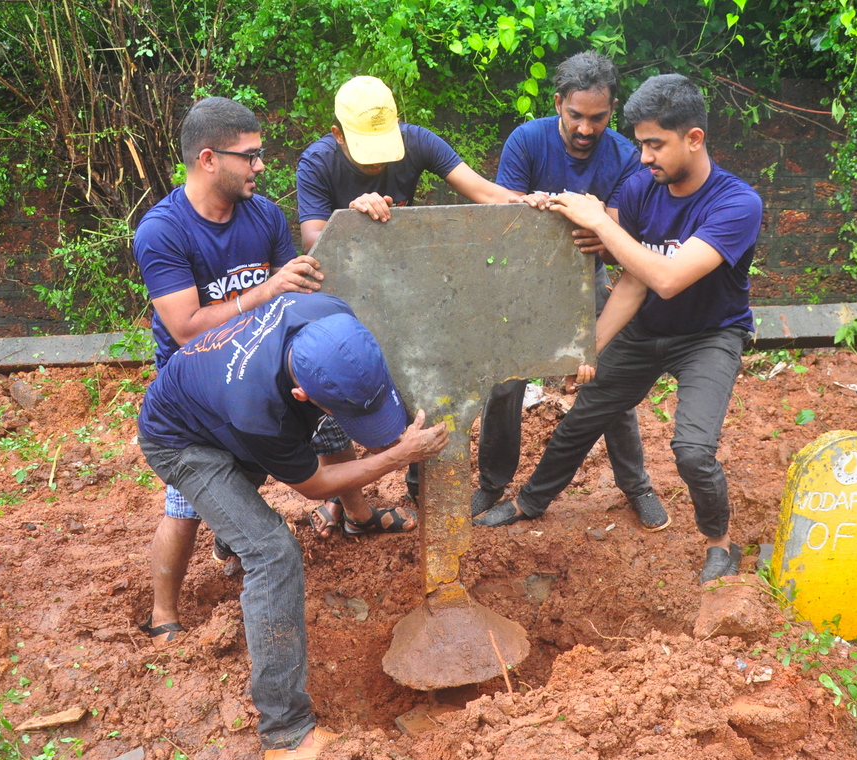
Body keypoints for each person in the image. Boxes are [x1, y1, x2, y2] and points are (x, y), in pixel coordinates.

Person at [137, 292, 449, 760]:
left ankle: (231, 529)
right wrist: (396, 457)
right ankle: (286, 737)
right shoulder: (258, 409)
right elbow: (313, 487)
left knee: (246, 506)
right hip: (182, 440)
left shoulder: (331, 314)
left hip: (217, 411)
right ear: (303, 396)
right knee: (271, 550)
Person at [475, 74, 763, 587]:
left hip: (709, 336)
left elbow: (668, 278)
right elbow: (632, 283)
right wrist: (588, 351)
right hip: (646, 328)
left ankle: (720, 543)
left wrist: (601, 222)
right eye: (641, 144)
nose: (645, 157)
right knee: (582, 417)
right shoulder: (640, 190)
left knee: (693, 451)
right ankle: (531, 500)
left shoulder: (736, 204)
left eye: (655, 145)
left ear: (693, 138)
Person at [134, 96, 327, 648]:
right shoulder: (163, 231)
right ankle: (163, 613)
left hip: (251, 372)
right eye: (251, 155)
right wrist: (263, 292)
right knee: (186, 505)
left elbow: (290, 295)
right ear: (209, 158)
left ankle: (230, 535)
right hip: (192, 394)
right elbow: (188, 329)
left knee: (251, 468)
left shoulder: (262, 215)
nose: (262, 166)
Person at [295, 74, 520, 531]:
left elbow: (485, 194)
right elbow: (314, 239)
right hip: (348, 302)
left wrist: (531, 205)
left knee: (425, 379)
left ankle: (421, 484)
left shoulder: (418, 142)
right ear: (337, 134)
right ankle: (349, 500)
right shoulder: (317, 162)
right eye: (365, 151)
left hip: (408, 288)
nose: (378, 164)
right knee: (350, 396)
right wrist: (352, 217)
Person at [475, 51, 667, 530]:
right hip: (522, 281)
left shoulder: (626, 156)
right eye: (576, 115)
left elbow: (624, 243)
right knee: (504, 384)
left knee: (609, 380)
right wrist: (547, 213)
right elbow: (505, 223)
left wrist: (602, 234)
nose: (585, 129)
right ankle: (491, 482)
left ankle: (636, 484)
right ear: (559, 103)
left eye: (598, 118)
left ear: (612, 111)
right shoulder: (527, 140)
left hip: (589, 278)